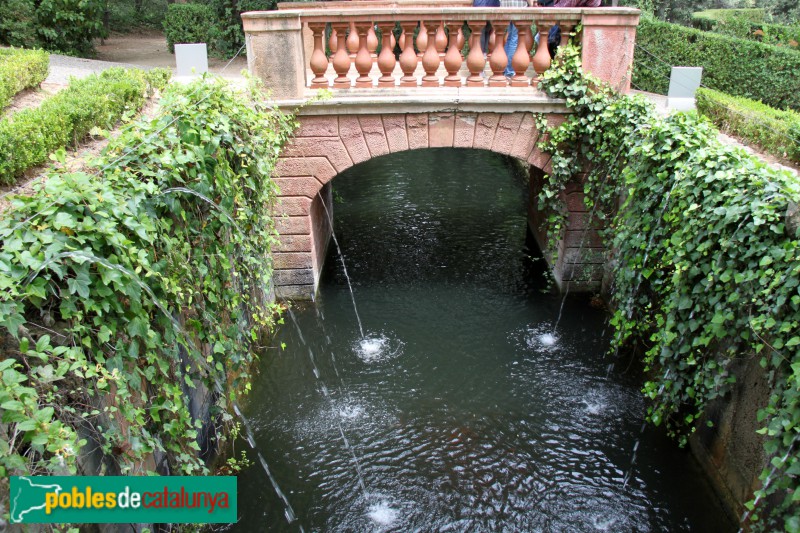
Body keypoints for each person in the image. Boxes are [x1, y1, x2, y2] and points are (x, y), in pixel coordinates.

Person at [499, 0, 535, 77]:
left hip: (506, 6)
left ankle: (504, 68)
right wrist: (531, 4)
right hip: (519, 7)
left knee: (510, 38)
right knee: (515, 39)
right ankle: (509, 71)